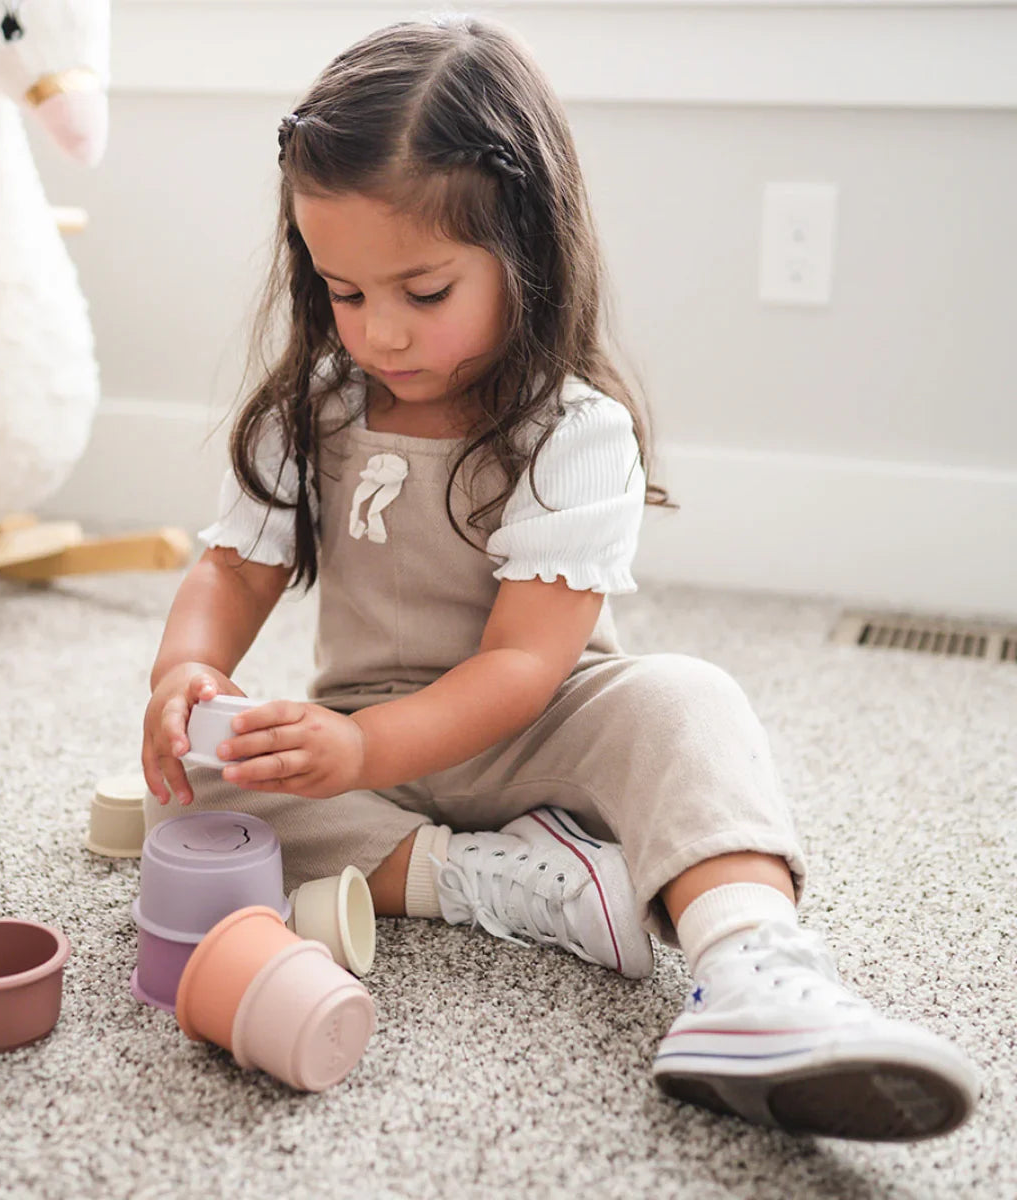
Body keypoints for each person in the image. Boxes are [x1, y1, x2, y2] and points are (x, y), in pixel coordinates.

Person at [142, 16, 979, 1140]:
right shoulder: (317, 411)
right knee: (197, 793)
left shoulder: (571, 433)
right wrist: (189, 671)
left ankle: (754, 970)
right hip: (370, 735)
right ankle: (493, 880)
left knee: (689, 703)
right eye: (343, 291)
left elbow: (527, 664)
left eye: (424, 292)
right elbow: (234, 570)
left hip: (541, 724)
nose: (380, 332)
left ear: (523, 250)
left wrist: (368, 753)